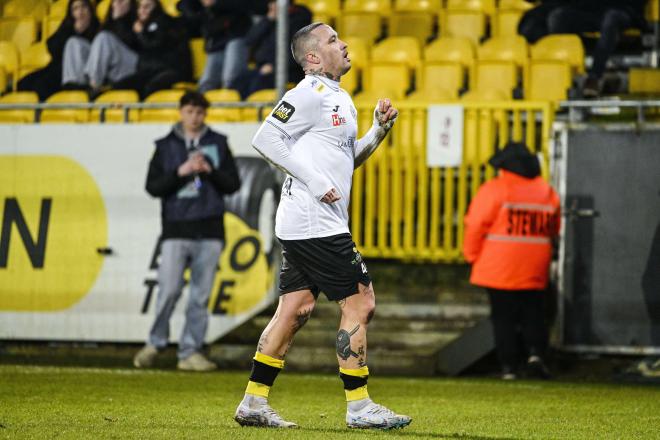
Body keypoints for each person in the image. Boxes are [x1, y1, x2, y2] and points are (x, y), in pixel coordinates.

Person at [232, 22, 411, 430]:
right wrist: (316, 182)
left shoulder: (339, 97)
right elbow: (265, 138)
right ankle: (360, 406)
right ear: (313, 58)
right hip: (314, 220)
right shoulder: (307, 94)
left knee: (294, 310)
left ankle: (253, 402)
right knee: (360, 303)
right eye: (332, 40)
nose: (343, 44)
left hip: (308, 220)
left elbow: (346, 161)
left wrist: (377, 132)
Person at [133, 91, 241, 371]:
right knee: (168, 290)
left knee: (200, 296)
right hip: (176, 229)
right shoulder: (165, 146)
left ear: (205, 114)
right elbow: (152, 187)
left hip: (210, 229)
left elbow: (233, 184)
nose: (195, 117)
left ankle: (190, 351)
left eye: (200, 112)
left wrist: (210, 171)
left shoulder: (218, 142)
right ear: (181, 112)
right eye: (190, 111)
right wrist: (179, 172)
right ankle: (155, 343)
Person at [463, 142, 561, 380]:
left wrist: (472, 255)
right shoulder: (546, 191)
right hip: (535, 266)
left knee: (503, 317)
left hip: (499, 267)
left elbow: (475, 225)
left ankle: (509, 367)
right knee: (534, 314)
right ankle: (536, 356)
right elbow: (554, 229)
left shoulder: (495, 189)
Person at [547, 0, 647, 98]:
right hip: (594, 11)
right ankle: (567, 75)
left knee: (611, 18)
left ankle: (594, 78)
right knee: (558, 17)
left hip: (623, 10)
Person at [17, 0, 100, 100]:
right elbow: (52, 47)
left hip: (80, 72)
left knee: (42, 86)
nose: (80, 12)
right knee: (23, 83)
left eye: (83, 7)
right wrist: (75, 31)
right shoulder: (67, 26)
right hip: (58, 66)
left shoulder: (98, 27)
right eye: (76, 9)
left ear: (90, 10)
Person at [112, 0, 192, 98]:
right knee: (119, 87)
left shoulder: (166, 21)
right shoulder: (144, 26)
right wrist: (119, 20)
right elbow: (128, 42)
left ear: (156, 8)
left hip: (172, 70)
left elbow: (156, 45)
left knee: (150, 88)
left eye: (147, 7)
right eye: (140, 7)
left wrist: (141, 33)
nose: (142, 10)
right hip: (152, 70)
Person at [232, 0, 312, 99]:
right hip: (263, 67)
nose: (270, 6)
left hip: (288, 70)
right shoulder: (271, 19)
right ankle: (241, 113)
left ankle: (257, 113)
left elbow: (297, 52)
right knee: (237, 82)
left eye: (274, 2)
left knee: (257, 84)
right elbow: (250, 39)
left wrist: (273, 66)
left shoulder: (300, 21)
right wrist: (268, 20)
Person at [62, 0, 139, 94]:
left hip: (133, 67)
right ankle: (77, 89)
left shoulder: (140, 16)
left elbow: (135, 43)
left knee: (104, 38)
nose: (118, 2)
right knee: (74, 42)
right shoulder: (108, 22)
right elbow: (99, 46)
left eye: (123, 0)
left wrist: (119, 20)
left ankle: (94, 87)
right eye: (115, 1)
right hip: (111, 69)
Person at [177, 0, 252, 92]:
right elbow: (183, 4)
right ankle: (200, 105)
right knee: (206, 83)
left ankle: (233, 104)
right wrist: (198, 13)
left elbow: (249, 5)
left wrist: (216, 3)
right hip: (216, 40)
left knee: (231, 78)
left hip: (237, 34)